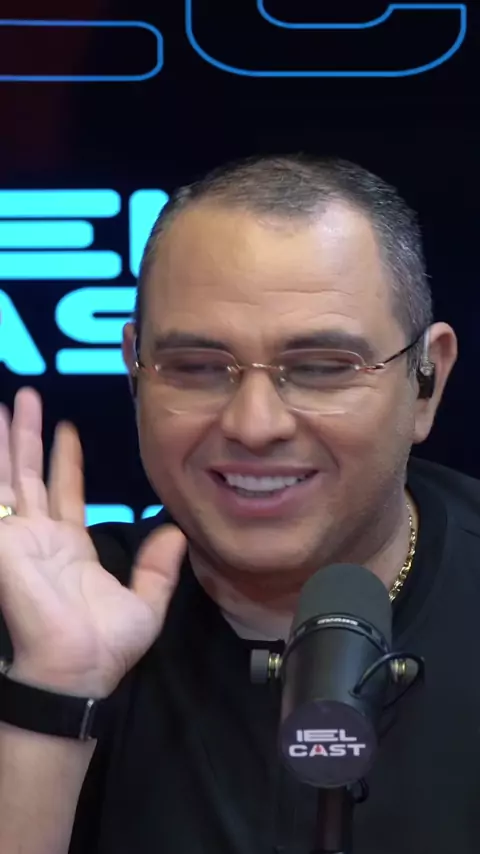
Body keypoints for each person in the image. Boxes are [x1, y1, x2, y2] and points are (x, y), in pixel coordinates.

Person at [2, 153, 480, 854]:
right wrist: (53, 692)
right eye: (197, 368)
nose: (255, 425)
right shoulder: (44, 614)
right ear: (135, 372)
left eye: (321, 368)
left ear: (426, 382)